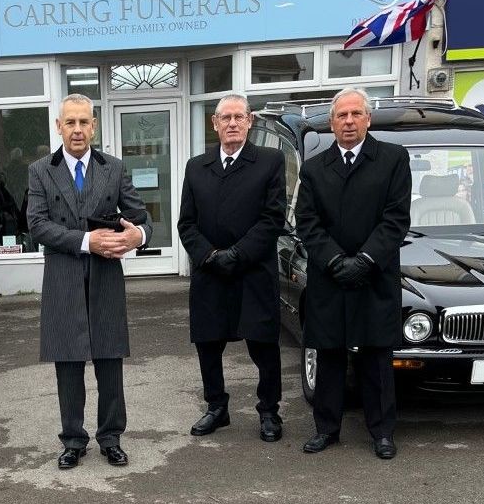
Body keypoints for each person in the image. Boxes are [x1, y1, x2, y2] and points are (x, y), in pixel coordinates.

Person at [27, 94, 152, 469]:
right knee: (67, 363)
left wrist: (137, 237)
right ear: (59, 127)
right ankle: (73, 440)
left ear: (94, 126)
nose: (77, 129)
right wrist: (86, 241)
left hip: (106, 280)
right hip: (63, 279)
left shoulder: (113, 168)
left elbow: (141, 217)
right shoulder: (39, 171)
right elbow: (36, 225)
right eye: (71, 122)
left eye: (84, 122)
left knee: (109, 360)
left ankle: (111, 437)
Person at [295, 88, 411, 460]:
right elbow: (307, 223)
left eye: (356, 114)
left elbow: (396, 220)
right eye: (341, 115)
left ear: (367, 119)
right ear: (332, 123)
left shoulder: (392, 159)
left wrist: (364, 260)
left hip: (374, 275)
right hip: (329, 277)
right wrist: (334, 261)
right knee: (328, 354)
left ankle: (381, 433)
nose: (348, 121)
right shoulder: (313, 167)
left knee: (376, 357)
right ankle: (326, 429)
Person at [177, 94, 287, 442]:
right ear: (215, 123)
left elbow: (273, 219)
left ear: (250, 121)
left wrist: (237, 255)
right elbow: (186, 223)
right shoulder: (196, 166)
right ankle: (216, 408)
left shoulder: (269, 161)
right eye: (226, 118)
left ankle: (269, 411)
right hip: (210, 273)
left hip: (253, 272)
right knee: (208, 345)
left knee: (263, 346)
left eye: (239, 117)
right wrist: (209, 255)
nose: (233, 123)